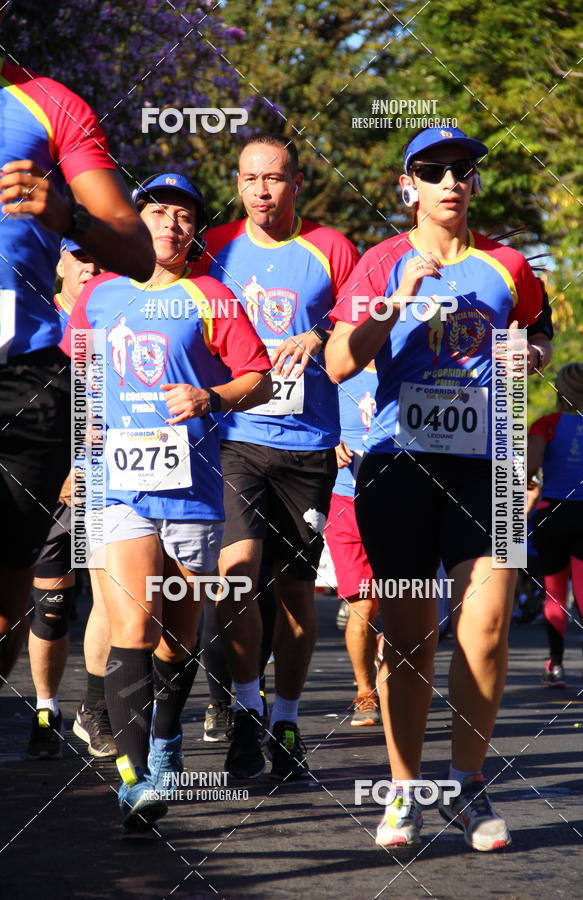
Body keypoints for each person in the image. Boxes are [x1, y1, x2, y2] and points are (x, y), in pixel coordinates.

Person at [326, 126, 544, 851]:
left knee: (484, 627)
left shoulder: (508, 265)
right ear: (407, 186)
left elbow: (536, 330)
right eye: (433, 169)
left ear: (475, 184)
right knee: (413, 636)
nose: (451, 180)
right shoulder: (380, 262)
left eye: (463, 169)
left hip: (488, 466)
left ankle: (468, 785)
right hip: (399, 465)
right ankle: (405, 788)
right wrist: (395, 301)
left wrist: (533, 351)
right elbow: (335, 362)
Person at [61, 172, 272, 831]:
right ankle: (133, 780)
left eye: (183, 216)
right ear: (137, 219)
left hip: (192, 487)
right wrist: (77, 454)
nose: (169, 225)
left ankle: (165, 740)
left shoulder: (212, 297)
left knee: (176, 641)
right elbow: (81, 379)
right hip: (121, 482)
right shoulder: (99, 295)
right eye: (157, 211)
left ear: (194, 231)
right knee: (133, 626)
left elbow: (259, 380)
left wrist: (212, 397)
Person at [202, 133, 359, 780]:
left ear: (298, 183)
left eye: (275, 178)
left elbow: (358, 329)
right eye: (250, 179)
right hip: (236, 438)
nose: (263, 190)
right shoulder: (215, 248)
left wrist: (318, 333)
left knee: (295, 592)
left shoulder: (332, 248)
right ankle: (244, 711)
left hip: (308, 446)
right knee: (236, 575)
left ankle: (287, 719)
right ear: (237, 186)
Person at [0, 29, 155, 686]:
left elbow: (137, 251)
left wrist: (67, 217)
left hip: (22, 382)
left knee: (5, 613)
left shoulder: (49, 105)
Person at [26, 239, 118, 759]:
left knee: (108, 602)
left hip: (102, 480)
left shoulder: (115, 308)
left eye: (99, 258)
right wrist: (56, 470)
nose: (91, 267)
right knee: (53, 609)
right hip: (47, 482)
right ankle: (45, 707)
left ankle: (94, 711)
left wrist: (83, 467)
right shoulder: (39, 319)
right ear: (59, 262)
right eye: (80, 257)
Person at [528, 362, 583, 688]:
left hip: (553, 511)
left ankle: (555, 665)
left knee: (555, 591)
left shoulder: (547, 425)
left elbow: (528, 471)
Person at [325, 364, 382, 725]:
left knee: (399, 599)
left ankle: (399, 683)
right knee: (364, 603)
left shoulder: (410, 362)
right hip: (344, 500)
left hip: (397, 501)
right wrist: (329, 443)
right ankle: (366, 693)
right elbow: (309, 418)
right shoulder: (338, 366)